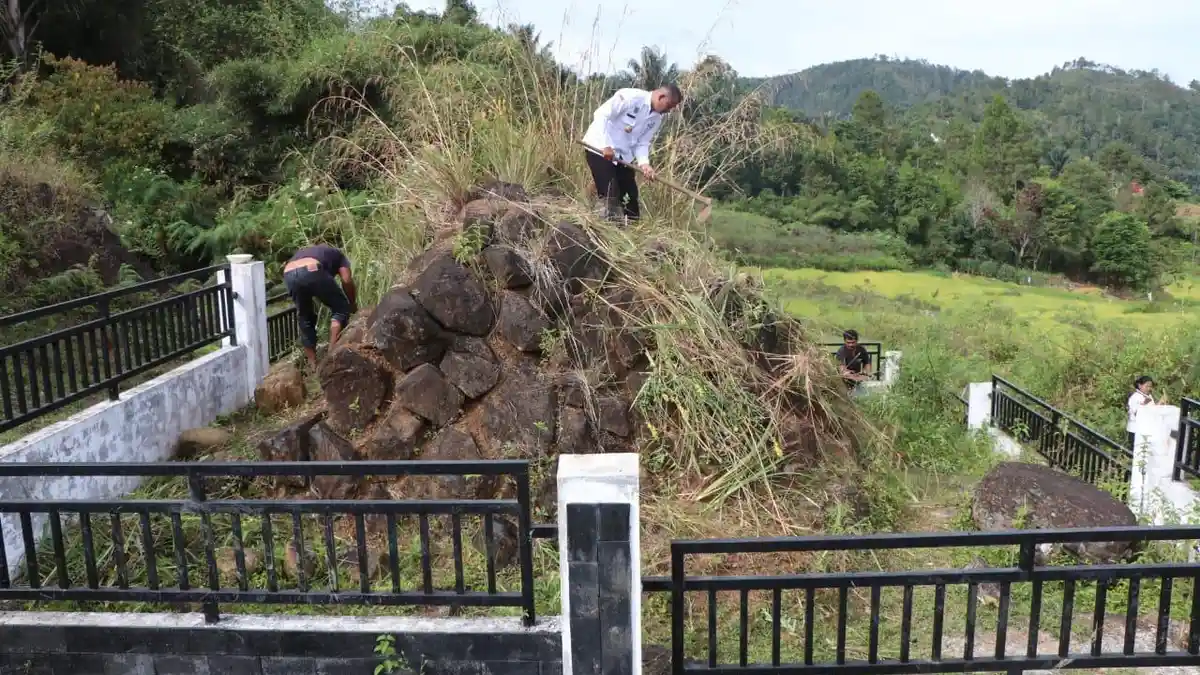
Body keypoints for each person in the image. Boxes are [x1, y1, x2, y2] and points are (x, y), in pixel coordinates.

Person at [581, 84, 684, 223]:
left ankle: (632, 233)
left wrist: (644, 164)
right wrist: (606, 145)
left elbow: (642, 142)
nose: (669, 110)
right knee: (610, 195)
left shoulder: (656, 119)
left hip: (622, 157)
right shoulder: (631, 97)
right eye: (669, 105)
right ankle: (603, 228)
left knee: (630, 198)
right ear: (661, 96)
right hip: (599, 148)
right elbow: (601, 114)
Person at [283, 243, 357, 370]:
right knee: (340, 308)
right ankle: (331, 356)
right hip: (312, 268)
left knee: (305, 316)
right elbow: (347, 280)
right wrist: (351, 304)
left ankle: (313, 365)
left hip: (288, 272)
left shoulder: (308, 252)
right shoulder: (338, 255)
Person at [1127, 375, 1155, 450]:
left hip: (1146, 430)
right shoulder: (1134, 397)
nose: (1149, 388)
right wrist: (1144, 403)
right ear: (1140, 385)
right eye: (1147, 386)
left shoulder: (1149, 396)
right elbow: (1136, 413)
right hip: (1135, 430)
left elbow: (1152, 410)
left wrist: (1160, 404)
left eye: (1150, 386)